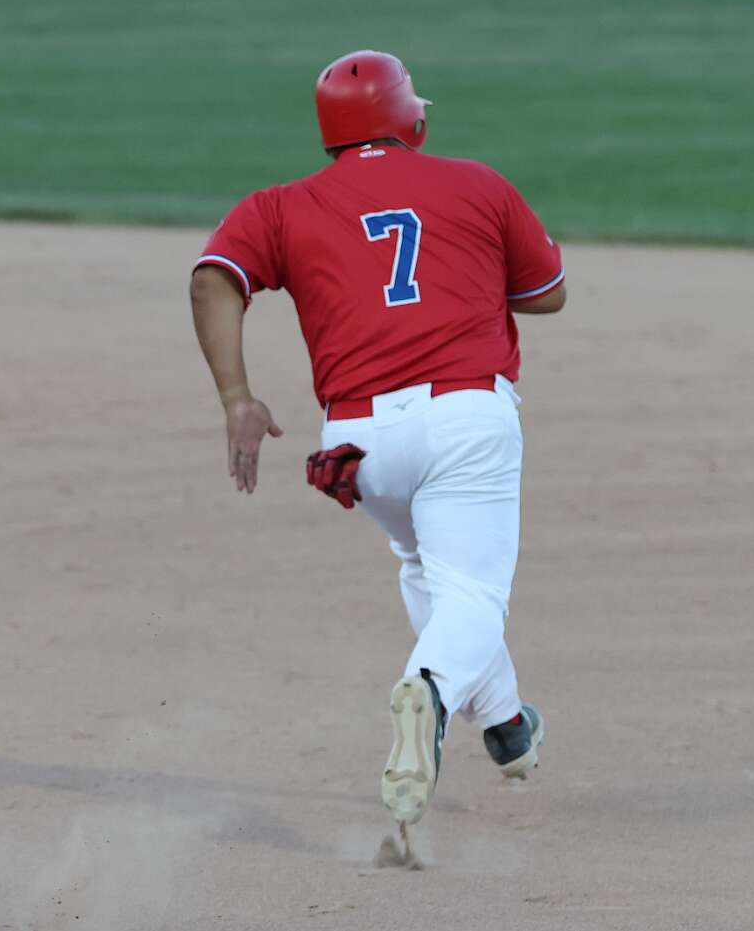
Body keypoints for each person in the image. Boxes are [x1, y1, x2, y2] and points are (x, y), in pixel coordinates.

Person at [188, 50, 564, 829]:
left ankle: (505, 724)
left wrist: (236, 397)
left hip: (359, 444)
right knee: (474, 594)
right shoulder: (476, 184)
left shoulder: (280, 206)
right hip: (464, 422)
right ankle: (427, 689)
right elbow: (546, 293)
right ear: (410, 119)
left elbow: (212, 276)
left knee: (428, 564)